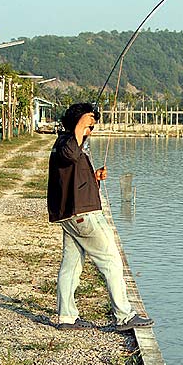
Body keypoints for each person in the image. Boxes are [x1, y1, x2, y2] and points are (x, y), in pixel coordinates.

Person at [47, 102, 153, 332]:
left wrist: (93, 177)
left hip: (70, 215)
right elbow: (70, 154)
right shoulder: (68, 143)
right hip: (82, 215)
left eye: (92, 127)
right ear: (78, 123)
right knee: (112, 260)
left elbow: (70, 174)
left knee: (71, 266)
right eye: (89, 125)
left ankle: (66, 317)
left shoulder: (67, 144)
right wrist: (80, 125)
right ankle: (124, 316)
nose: (90, 131)